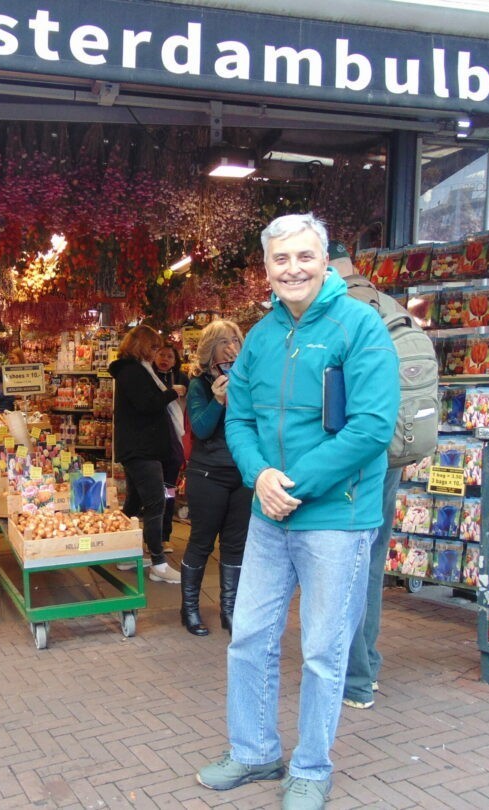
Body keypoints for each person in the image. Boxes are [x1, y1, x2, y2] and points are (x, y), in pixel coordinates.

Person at [197, 214, 399, 810]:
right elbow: (239, 418)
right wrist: (260, 476)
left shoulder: (360, 326)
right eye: (281, 259)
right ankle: (255, 750)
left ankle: (311, 766)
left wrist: (292, 483)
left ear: (325, 257)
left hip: (336, 516)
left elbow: (371, 427)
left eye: (304, 257)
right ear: (266, 268)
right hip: (270, 514)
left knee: (322, 649)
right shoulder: (260, 336)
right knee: (250, 637)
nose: (293, 269)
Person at [330, 239, 407, 712]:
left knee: (346, 564)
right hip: (394, 453)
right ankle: (368, 664)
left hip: (355, 456)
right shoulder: (391, 305)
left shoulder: (341, 312)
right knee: (372, 562)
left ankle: (355, 677)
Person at [180, 320, 250, 636]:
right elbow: (202, 428)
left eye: (235, 339)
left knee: (236, 545)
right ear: (211, 350)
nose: (231, 347)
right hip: (207, 474)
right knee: (201, 542)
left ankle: (230, 610)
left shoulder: (248, 378)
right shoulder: (199, 384)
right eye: (224, 342)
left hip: (242, 474)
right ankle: (190, 609)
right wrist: (219, 400)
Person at [108, 324, 187, 584]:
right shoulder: (133, 372)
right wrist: (170, 394)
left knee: (134, 501)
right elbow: (147, 405)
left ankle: (125, 553)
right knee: (155, 502)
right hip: (141, 448)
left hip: (140, 447)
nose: (156, 353)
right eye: (153, 347)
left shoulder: (136, 370)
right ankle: (159, 563)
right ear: (141, 345)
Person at [153, 343, 185, 554]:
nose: (165, 359)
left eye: (170, 357)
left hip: (174, 446)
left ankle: (165, 535)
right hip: (153, 444)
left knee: (168, 491)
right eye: (161, 355)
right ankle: (150, 536)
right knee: (152, 493)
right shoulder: (148, 378)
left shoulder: (182, 380)